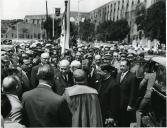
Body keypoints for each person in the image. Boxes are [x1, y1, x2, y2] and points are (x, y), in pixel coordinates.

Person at [117, 59, 138, 127]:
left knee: (125, 122)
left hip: (126, 104)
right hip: (118, 103)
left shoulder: (132, 77)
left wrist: (130, 105)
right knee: (119, 121)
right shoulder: (118, 74)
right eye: (120, 66)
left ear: (128, 66)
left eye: (123, 66)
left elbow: (133, 92)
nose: (121, 67)